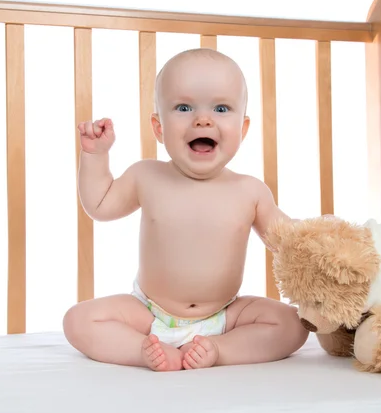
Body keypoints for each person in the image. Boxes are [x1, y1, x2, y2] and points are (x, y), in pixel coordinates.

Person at [63, 47, 308, 371]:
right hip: (149, 313)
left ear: (243, 129)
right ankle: (144, 351)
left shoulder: (249, 191)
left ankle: (218, 350)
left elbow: (291, 243)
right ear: (159, 127)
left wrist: (332, 245)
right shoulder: (147, 176)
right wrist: (96, 157)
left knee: (293, 324)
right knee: (78, 320)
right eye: (183, 107)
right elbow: (100, 204)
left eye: (221, 108)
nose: (202, 119)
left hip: (225, 315)